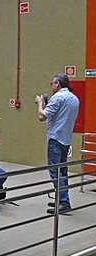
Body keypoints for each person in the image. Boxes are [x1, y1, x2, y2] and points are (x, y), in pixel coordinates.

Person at [35, 73, 80, 214]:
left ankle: (64, 202)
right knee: (63, 171)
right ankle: (61, 199)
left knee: (55, 172)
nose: (51, 86)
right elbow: (59, 115)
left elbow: (42, 116)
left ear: (57, 84)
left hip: (55, 139)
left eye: (52, 83)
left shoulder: (58, 97)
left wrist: (40, 104)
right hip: (66, 138)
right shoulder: (74, 99)